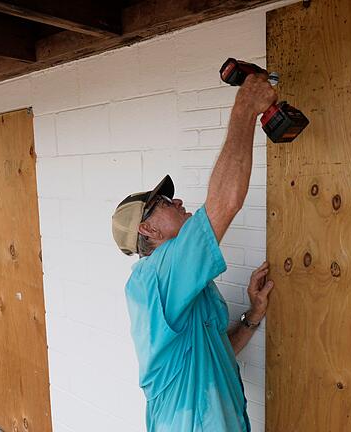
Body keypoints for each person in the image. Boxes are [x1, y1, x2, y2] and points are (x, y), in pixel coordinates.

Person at [111, 73, 278, 431]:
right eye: (167, 202)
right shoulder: (154, 276)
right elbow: (224, 204)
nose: (180, 202)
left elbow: (215, 353)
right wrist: (246, 106)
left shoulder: (184, 283)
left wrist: (253, 314)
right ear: (147, 229)